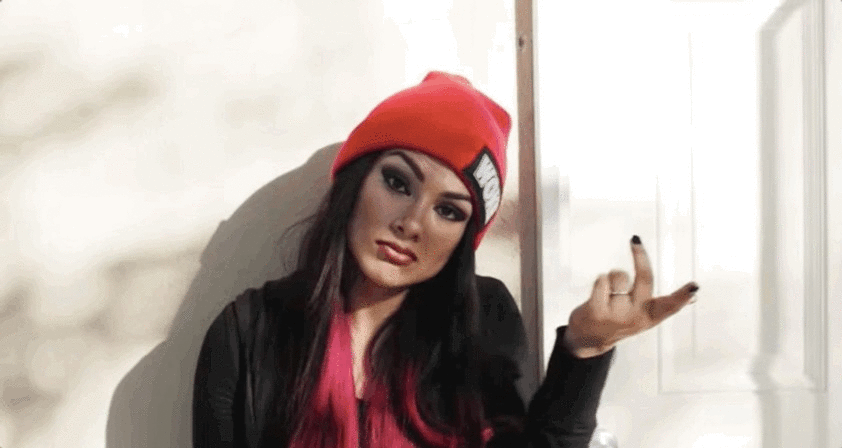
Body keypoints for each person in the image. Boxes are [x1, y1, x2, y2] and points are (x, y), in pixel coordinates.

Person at [192, 71, 699, 448]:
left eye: (449, 211)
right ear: (355, 182)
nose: (412, 222)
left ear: (463, 237)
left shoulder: (484, 319)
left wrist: (585, 353)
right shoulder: (247, 332)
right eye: (397, 182)